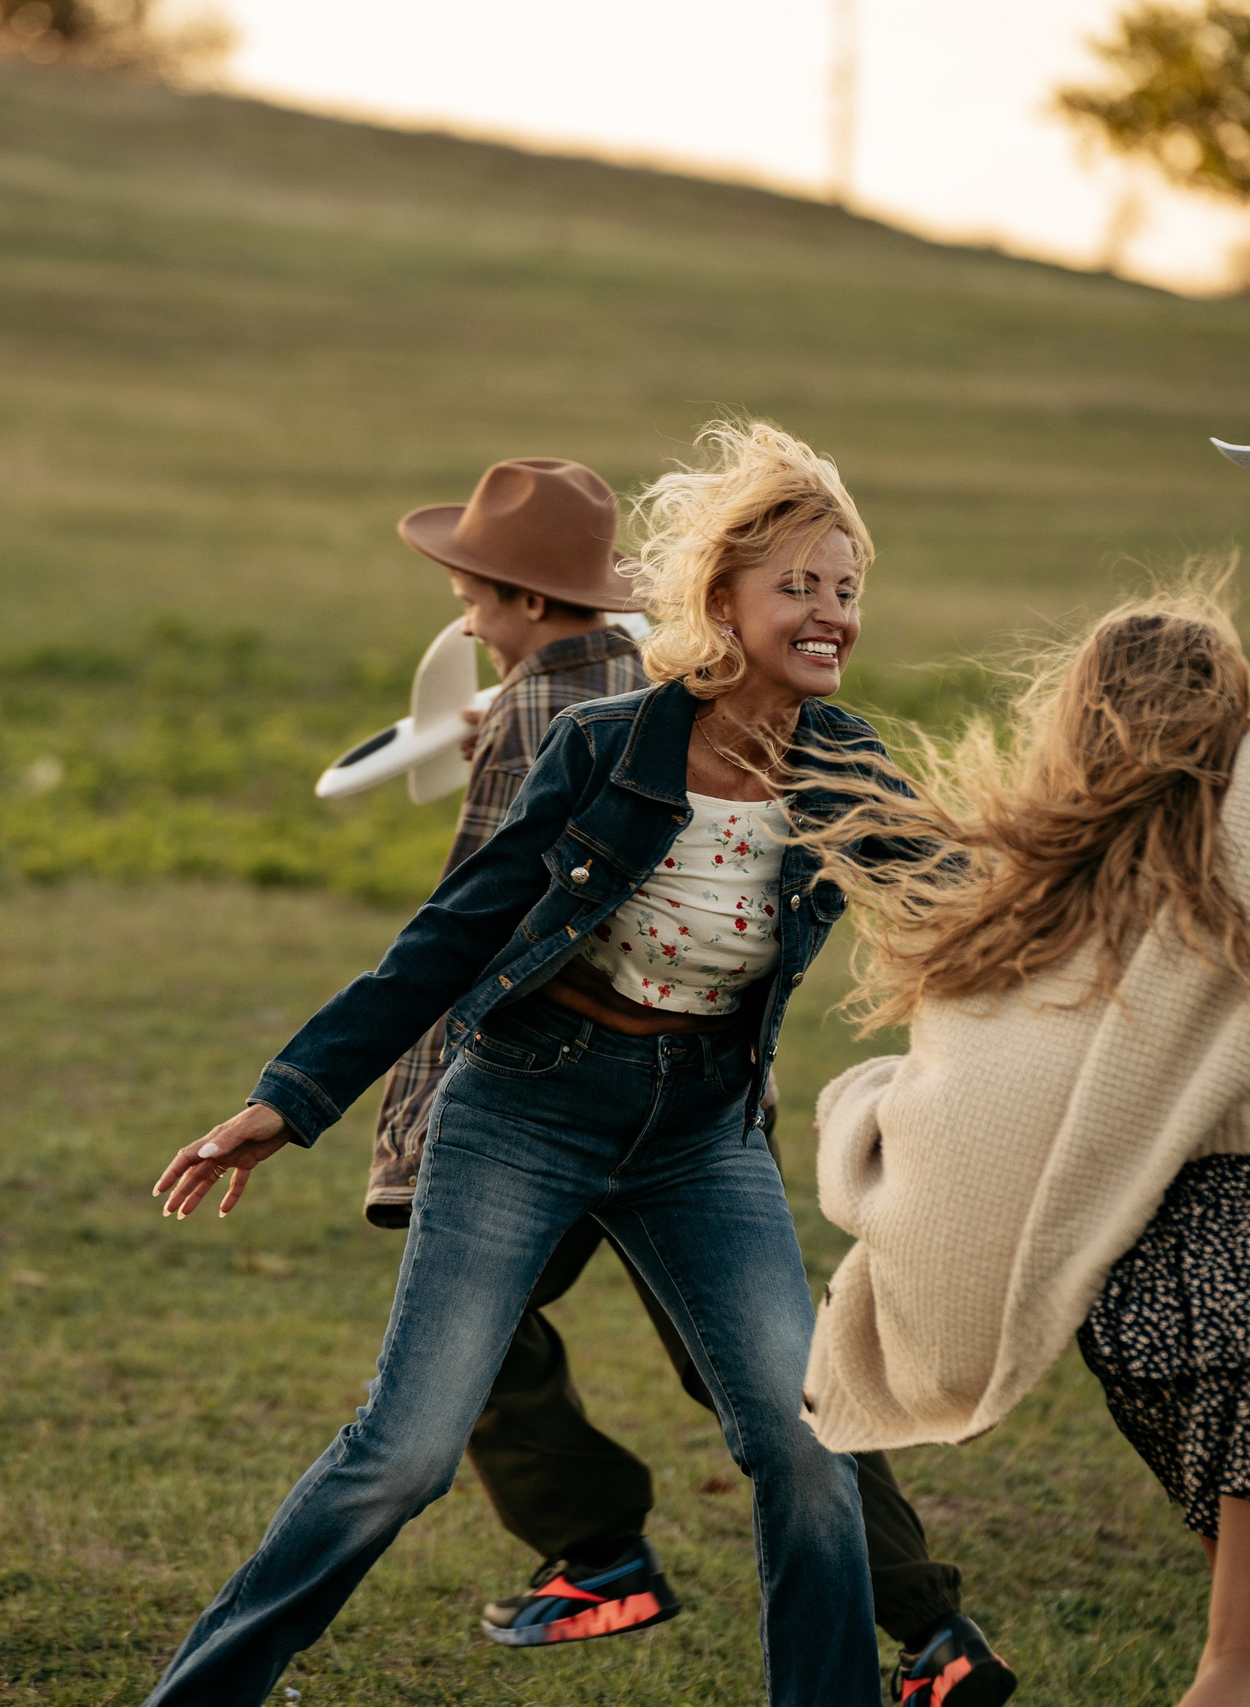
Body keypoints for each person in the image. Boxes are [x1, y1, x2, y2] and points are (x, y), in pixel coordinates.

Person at [148, 421, 897, 1707]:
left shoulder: (850, 770)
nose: (829, 612)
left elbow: (989, 916)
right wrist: (293, 1097)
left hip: (700, 1134)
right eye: (799, 586)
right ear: (721, 601)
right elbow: (455, 932)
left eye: (846, 590)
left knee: (808, 1444)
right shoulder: (609, 741)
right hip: (527, 1105)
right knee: (408, 1451)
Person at [799, 397, 1250, 1707]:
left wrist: (860, 1128)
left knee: (1248, 1625)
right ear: (1235, 709)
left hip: (1135, 1294)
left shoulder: (1034, 887)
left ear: (1075, 720)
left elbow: (966, 1086)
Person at [361, 458, 1012, 1703]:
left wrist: (409, 1138)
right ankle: (931, 1635)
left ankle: (600, 1552)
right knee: (780, 1392)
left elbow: (477, 934)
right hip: (705, 1102)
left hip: (555, 1097)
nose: (467, 622)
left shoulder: (550, 721)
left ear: (526, 603)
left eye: (477, 601)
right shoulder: (647, 681)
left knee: (471, 1340)